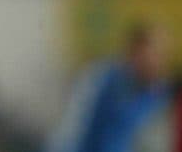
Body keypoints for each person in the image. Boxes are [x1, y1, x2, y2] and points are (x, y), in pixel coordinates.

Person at [46, 22, 173, 152]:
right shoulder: (99, 78)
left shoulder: (157, 96)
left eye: (164, 54)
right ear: (135, 50)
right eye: (155, 53)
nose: (160, 62)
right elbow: (69, 131)